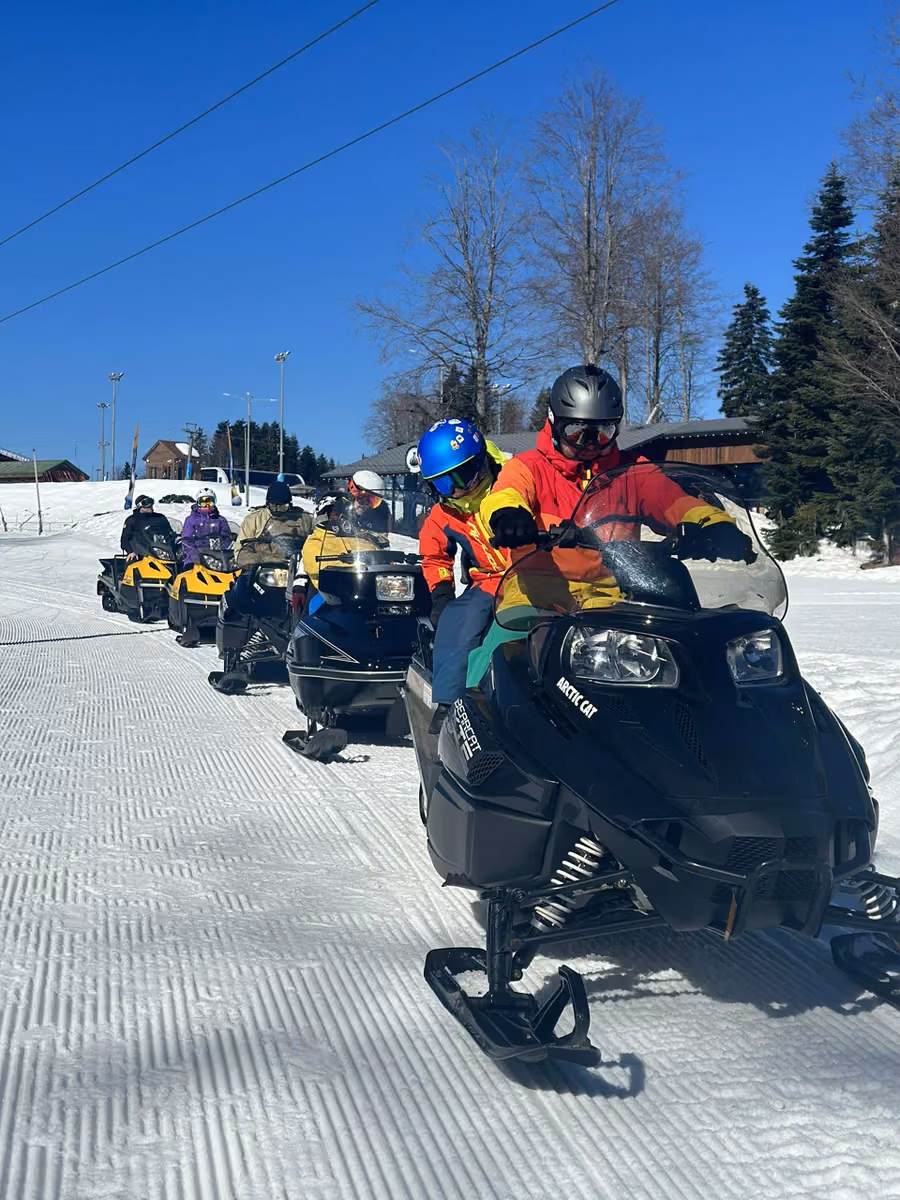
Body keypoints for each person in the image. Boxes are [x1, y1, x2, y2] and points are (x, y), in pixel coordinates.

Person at [483, 364, 752, 556]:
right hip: (540, 590)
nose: (589, 445)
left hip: (615, 592)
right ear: (554, 425)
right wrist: (508, 515)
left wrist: (712, 523)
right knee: (518, 635)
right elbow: (505, 493)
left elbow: (674, 500)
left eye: (603, 432)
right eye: (576, 432)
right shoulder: (529, 466)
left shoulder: (633, 472)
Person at [415, 418, 509, 722]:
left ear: (481, 460)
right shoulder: (446, 510)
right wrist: (441, 591)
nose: (457, 489)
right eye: (444, 483)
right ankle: (449, 707)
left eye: (464, 475)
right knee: (457, 621)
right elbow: (432, 551)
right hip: (491, 580)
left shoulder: (514, 478)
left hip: (536, 571)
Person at [233, 480, 313, 565]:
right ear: (267, 504)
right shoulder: (254, 519)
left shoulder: (302, 519)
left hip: (293, 566)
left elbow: (313, 544)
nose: (278, 510)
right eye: (274, 506)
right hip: (261, 567)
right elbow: (240, 553)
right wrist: (265, 559)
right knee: (243, 578)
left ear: (290, 505)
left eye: (283, 506)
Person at [180, 489, 234, 566]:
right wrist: (194, 556)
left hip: (217, 558)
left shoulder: (220, 520)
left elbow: (226, 538)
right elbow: (186, 541)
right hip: (195, 557)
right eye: (203, 502)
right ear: (198, 503)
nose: (207, 505)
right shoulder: (191, 519)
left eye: (210, 502)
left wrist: (223, 552)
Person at [120, 495, 176, 562]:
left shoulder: (160, 517)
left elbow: (170, 532)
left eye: (150, 504)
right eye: (146, 504)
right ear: (139, 505)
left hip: (163, 551)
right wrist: (130, 552)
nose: (150, 506)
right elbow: (124, 539)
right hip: (141, 555)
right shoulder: (132, 520)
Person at [348, 470, 391, 534]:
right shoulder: (337, 509)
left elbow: (384, 537)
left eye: (373, 501)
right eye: (361, 497)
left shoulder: (378, 515)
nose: (366, 505)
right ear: (353, 494)